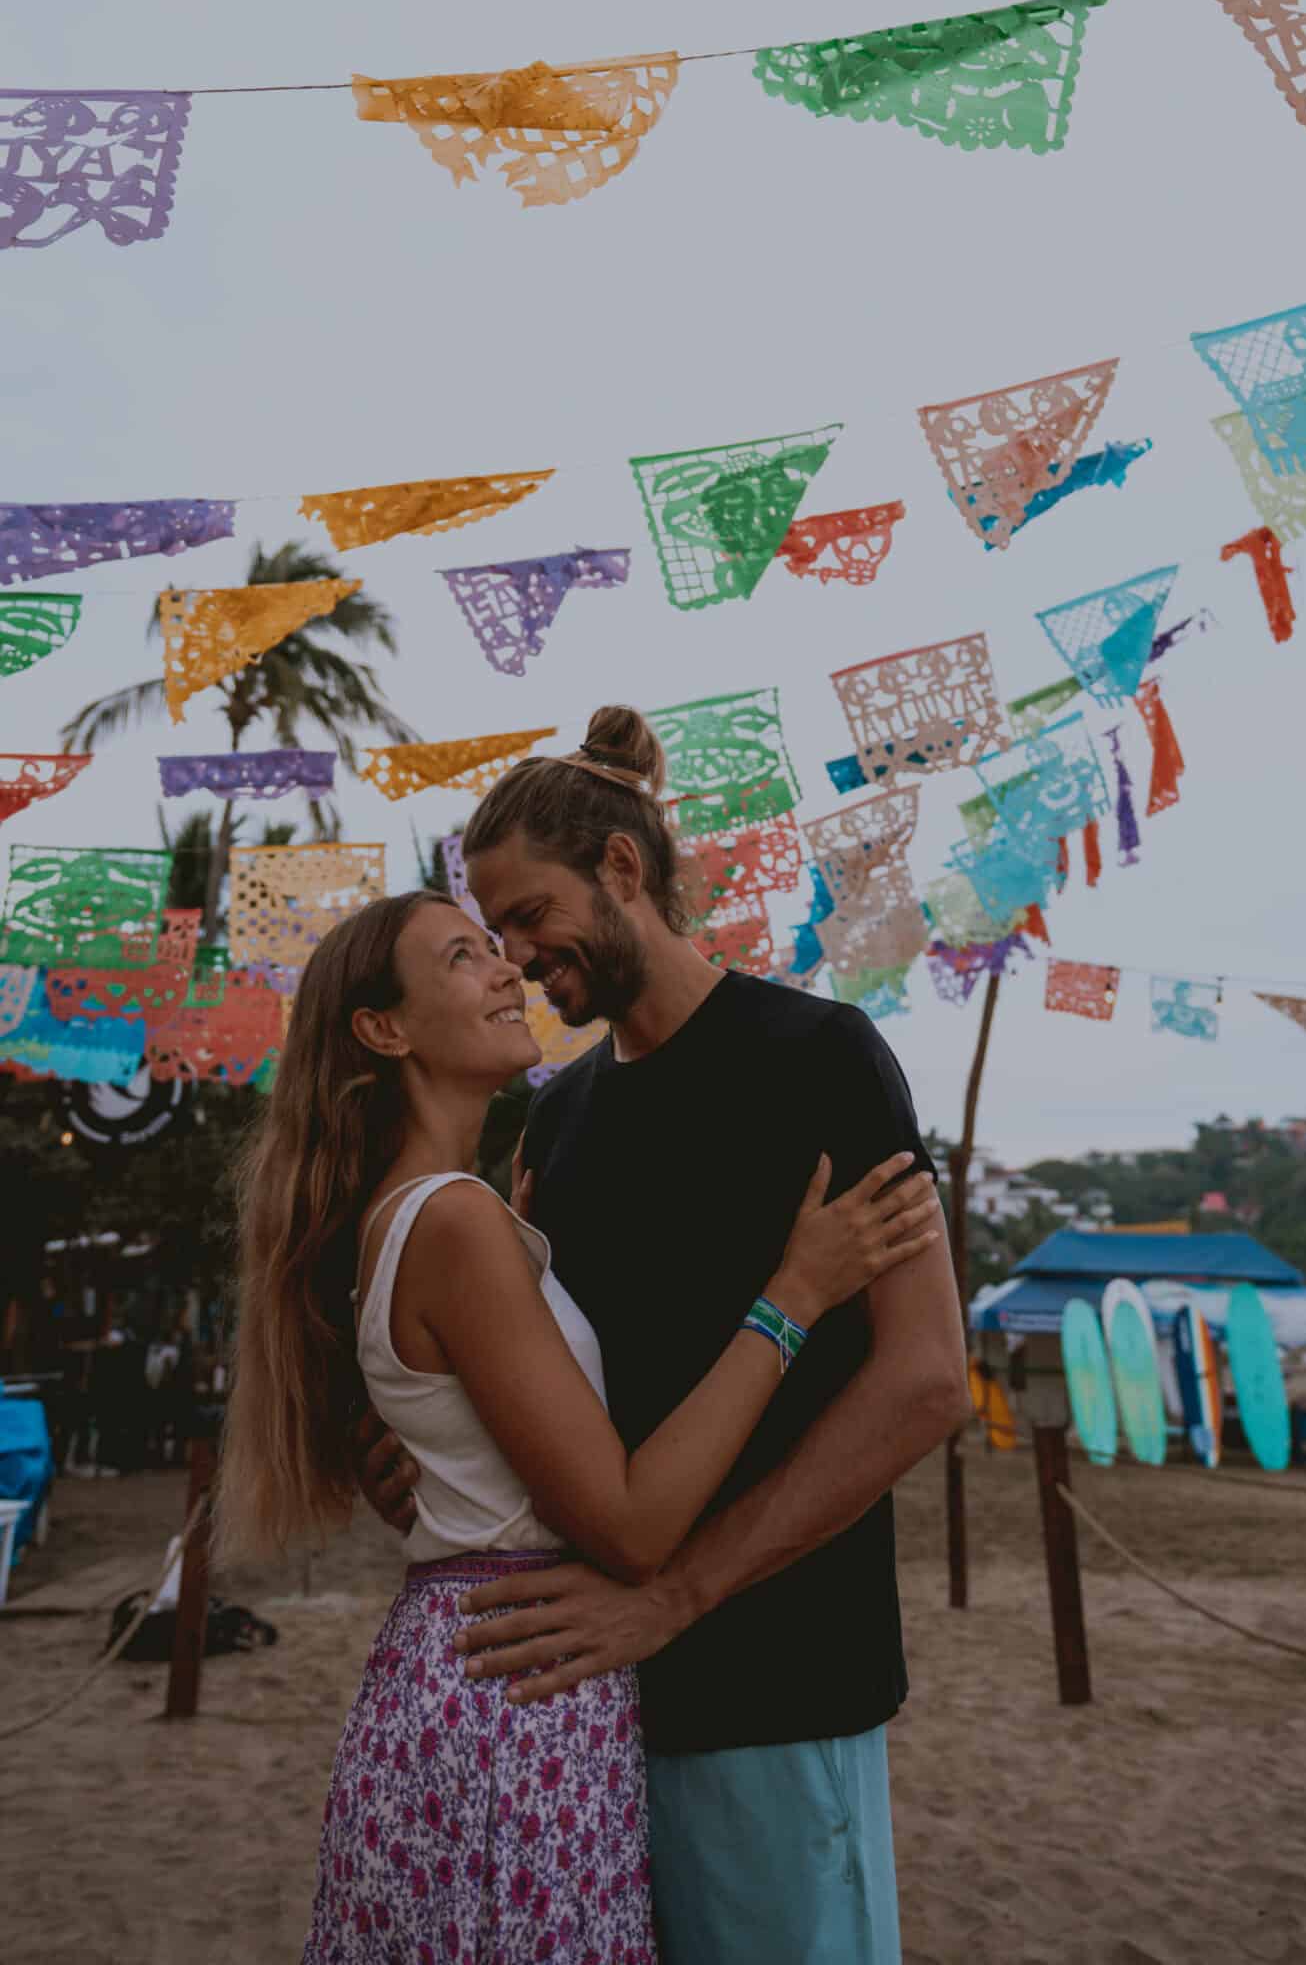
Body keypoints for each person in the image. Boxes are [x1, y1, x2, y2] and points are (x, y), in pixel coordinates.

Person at [215, 886, 937, 1964]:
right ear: (385, 1028)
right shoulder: (456, 1223)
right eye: (466, 953)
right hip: (518, 1695)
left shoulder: (467, 1207)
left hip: (488, 1671)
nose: (508, 964)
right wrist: (794, 1291)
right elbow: (632, 1526)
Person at [358, 706, 970, 1964]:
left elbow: (922, 1378)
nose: (519, 957)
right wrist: (429, 1454)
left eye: (529, 917)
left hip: (776, 1685)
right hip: (584, 1712)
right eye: (495, 933)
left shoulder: (820, 1056)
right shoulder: (560, 1118)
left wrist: (677, 1595)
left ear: (622, 872)